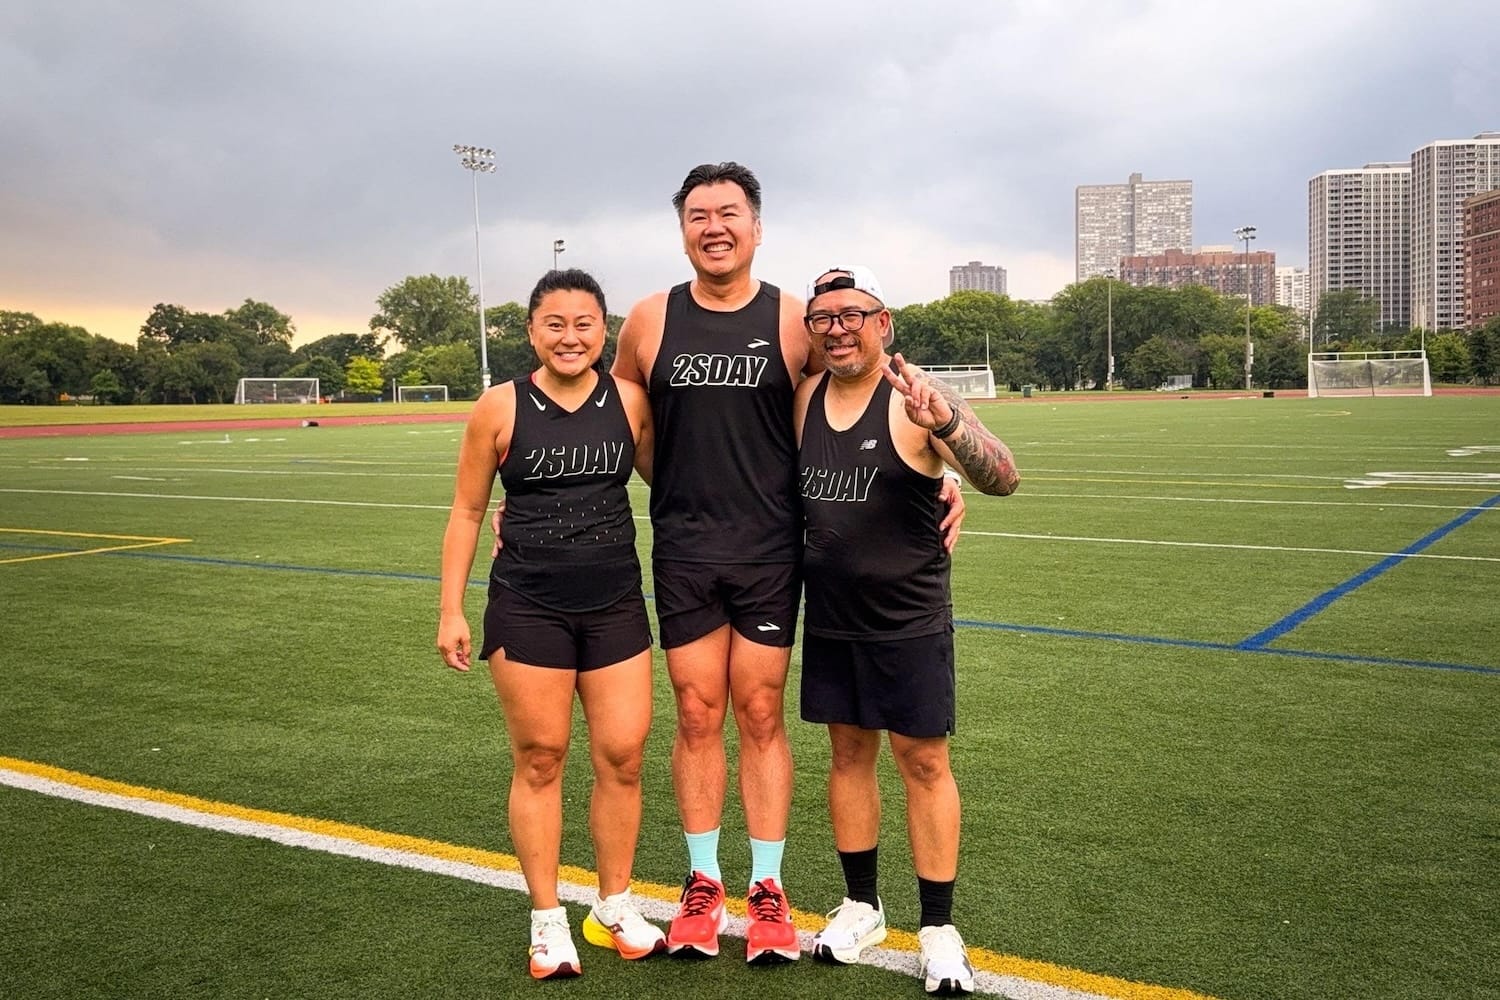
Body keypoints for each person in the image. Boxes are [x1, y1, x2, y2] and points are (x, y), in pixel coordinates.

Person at [609, 162, 968, 965]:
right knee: (696, 712)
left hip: (773, 548)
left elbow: (847, 402)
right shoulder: (648, 320)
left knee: (762, 712)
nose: (714, 227)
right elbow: (620, 418)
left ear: (757, 226)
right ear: (682, 229)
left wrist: (936, 479)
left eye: (729, 212)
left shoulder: (792, 320)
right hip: (685, 547)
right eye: (698, 215)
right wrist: (530, 497)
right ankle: (704, 882)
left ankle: (766, 887)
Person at [792, 266, 1019, 997]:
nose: (837, 329)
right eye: (823, 318)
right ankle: (862, 906)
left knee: (923, 763)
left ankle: (939, 927)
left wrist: (945, 428)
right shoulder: (802, 400)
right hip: (832, 619)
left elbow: (1003, 477)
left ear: (882, 322)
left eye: (852, 316)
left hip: (909, 621)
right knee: (847, 755)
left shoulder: (917, 396)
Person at [437, 269, 665, 981]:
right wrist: (450, 608)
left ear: (605, 330)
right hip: (528, 605)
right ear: (532, 331)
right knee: (541, 757)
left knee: (623, 755)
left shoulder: (630, 401)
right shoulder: (499, 406)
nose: (570, 337)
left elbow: (678, 481)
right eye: (555, 324)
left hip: (615, 605)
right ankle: (546, 920)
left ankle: (614, 905)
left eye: (584, 323)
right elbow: (468, 510)